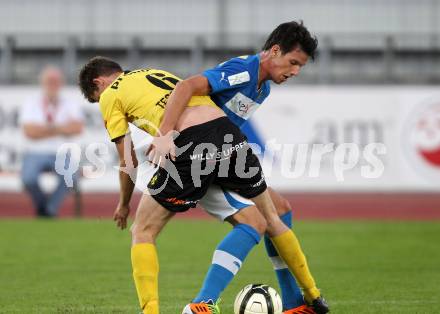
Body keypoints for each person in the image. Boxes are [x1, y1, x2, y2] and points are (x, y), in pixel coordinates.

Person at [78, 56, 325, 314]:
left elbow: (127, 160)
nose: (100, 103)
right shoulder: (152, 72)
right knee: (269, 218)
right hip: (227, 133)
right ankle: (312, 296)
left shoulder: (111, 95)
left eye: (96, 97)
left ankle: (156, 311)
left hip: (189, 143)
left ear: (99, 82)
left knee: (142, 230)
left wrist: (124, 204)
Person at [150, 21, 328, 314]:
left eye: (300, 67)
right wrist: (165, 134)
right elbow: (187, 86)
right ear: (274, 51)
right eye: (293, 62)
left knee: (281, 210)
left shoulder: (262, 88)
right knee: (257, 222)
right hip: (199, 159)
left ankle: (293, 302)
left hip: (223, 157)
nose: (295, 71)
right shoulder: (244, 71)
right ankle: (202, 303)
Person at [20, 66, 83, 217]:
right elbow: (29, 132)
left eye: (55, 81)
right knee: (28, 179)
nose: (52, 85)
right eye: (49, 81)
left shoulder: (70, 103)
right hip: (35, 152)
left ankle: (49, 210)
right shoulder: (31, 103)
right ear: (43, 83)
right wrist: (60, 128)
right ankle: (44, 207)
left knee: (70, 177)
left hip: (61, 152)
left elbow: (77, 128)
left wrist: (44, 129)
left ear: (61, 83)